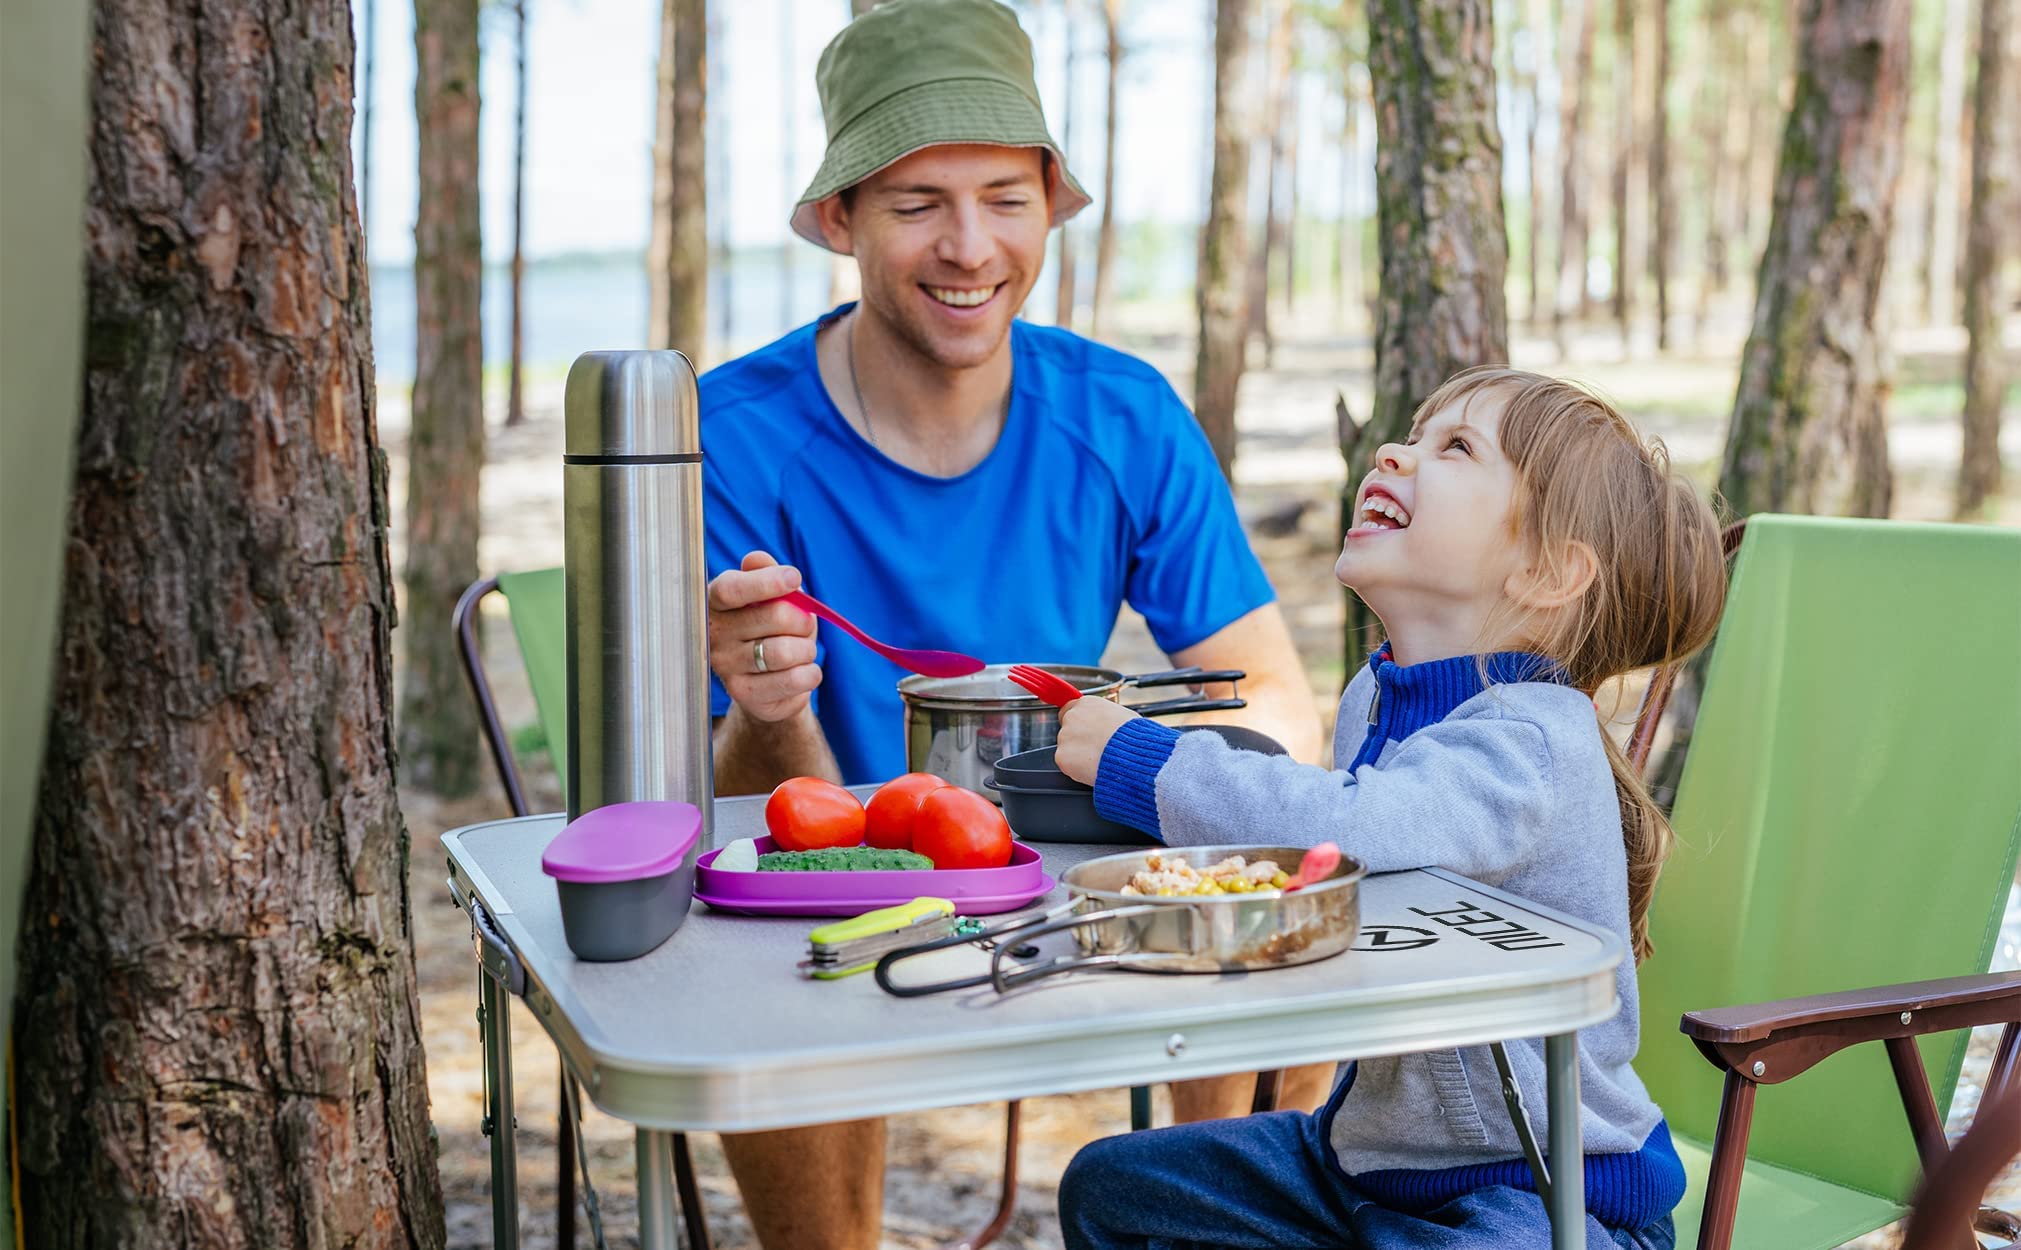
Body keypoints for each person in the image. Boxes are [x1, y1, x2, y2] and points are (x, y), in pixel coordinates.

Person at [696, 1, 1328, 1246]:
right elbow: (735, 807)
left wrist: (1158, 810)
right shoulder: (731, 434)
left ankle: (1207, 1222)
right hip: (836, 895)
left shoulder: (1122, 413)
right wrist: (771, 703)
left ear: (1048, 200)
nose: (969, 246)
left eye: (1002, 194)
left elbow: (1275, 705)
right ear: (840, 220)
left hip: (1078, 876)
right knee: (773, 978)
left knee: (1286, 905)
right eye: (916, 202)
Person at [1050, 367, 1728, 1249]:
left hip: (1545, 1192)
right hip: (1366, 1165)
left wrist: (1148, 764)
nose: (1394, 453)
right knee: (1114, 1188)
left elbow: (1356, 825)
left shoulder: (1530, 738)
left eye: (1454, 448)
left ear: (1549, 570)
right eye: (1413, 433)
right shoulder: (1378, 693)